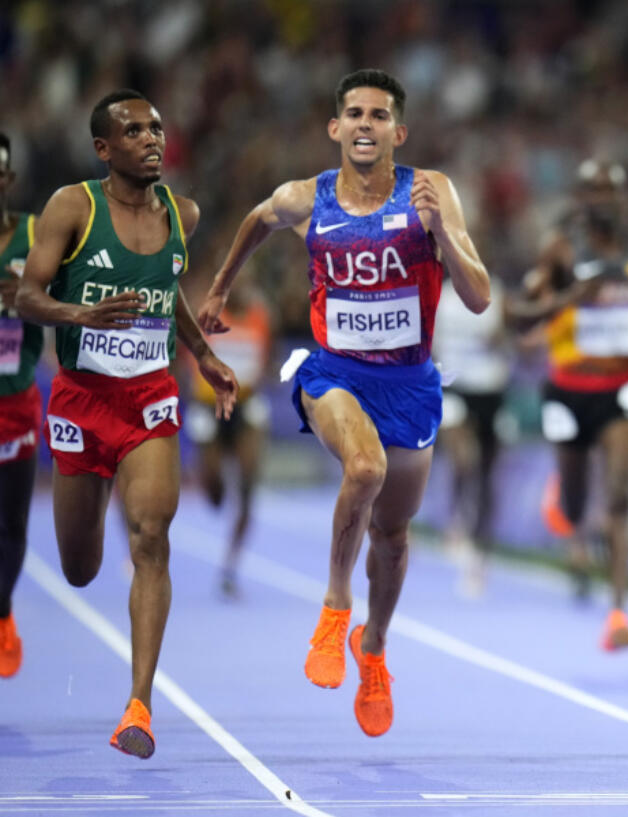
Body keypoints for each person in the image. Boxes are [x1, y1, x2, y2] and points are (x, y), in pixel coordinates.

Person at [197, 69, 491, 737]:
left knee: (392, 536)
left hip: (411, 386)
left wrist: (441, 231)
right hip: (333, 372)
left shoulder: (432, 190)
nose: (365, 124)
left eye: (379, 115)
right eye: (353, 113)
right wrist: (217, 291)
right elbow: (255, 220)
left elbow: (479, 296)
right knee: (364, 468)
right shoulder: (307, 198)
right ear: (335, 128)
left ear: (399, 131)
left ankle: (375, 645)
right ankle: (334, 608)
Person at [15, 90, 237, 758]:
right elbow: (26, 295)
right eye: (133, 130)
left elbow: (169, 296)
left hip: (148, 400)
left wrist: (202, 354)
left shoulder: (182, 214)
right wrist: (79, 316)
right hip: (82, 400)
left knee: (151, 536)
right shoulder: (72, 207)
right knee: (81, 569)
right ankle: (97, 499)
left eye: (157, 128)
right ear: (103, 149)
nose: (151, 138)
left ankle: (138, 706)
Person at [509, 159, 628, 650]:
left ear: (623, 199)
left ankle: (618, 612)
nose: (603, 200)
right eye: (594, 192)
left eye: (611, 191)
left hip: (623, 386)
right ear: (580, 199)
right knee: (577, 506)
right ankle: (566, 496)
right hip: (570, 390)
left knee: (620, 498)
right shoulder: (561, 251)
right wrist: (568, 299)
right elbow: (519, 312)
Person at [184, 275, 274, 599]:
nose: (242, 290)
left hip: (246, 405)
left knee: (248, 488)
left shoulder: (261, 317)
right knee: (215, 494)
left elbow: (269, 359)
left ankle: (230, 567)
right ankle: (212, 480)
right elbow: (187, 357)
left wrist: (260, 377)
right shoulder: (205, 315)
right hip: (208, 408)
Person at [432, 275, 512, 598]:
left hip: (490, 389)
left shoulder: (497, 295)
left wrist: (502, 336)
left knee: (487, 474)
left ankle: (481, 546)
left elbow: (510, 339)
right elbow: (429, 343)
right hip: (455, 386)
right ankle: (457, 520)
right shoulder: (442, 297)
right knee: (463, 459)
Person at [0, 133, 42, 680]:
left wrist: (30, 300)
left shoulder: (36, 233)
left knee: (10, 525)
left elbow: (72, 296)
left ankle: (3, 613)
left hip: (15, 402)